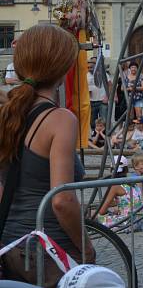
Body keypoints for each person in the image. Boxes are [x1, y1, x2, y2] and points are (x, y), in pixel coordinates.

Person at [0, 25, 94, 286]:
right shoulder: (60, 120)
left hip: (10, 248)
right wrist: (86, 247)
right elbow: (62, 200)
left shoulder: (8, 115)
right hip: (50, 250)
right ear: (62, 69)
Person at [52, 0, 96, 149]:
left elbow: (91, 20)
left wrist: (93, 39)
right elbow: (55, 12)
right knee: (68, 79)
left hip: (82, 35)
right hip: (68, 33)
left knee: (81, 82)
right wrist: (66, 15)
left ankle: (82, 139)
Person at [97, 156, 143, 232]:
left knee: (98, 216)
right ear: (126, 170)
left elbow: (102, 211)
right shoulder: (132, 182)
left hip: (126, 223)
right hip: (138, 222)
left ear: (111, 170)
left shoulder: (115, 186)